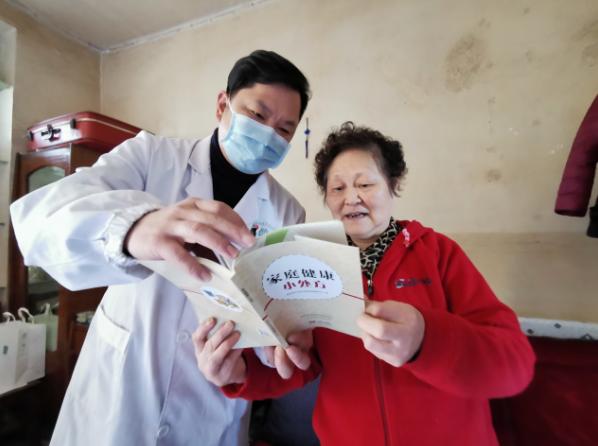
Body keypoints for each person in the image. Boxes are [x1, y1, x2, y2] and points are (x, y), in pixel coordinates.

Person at [10, 50, 313, 446]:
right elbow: (40, 220)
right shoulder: (151, 156)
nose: (269, 135)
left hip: (210, 407)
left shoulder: (289, 212)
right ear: (222, 105)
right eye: (258, 115)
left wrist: (275, 346)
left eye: (285, 129)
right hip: (123, 391)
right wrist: (133, 228)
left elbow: (270, 318)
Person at [194, 122, 536, 446]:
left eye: (365, 184)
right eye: (337, 188)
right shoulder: (309, 265)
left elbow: (515, 364)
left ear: (393, 184)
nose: (351, 198)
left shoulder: (437, 253)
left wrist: (425, 340)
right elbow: (298, 364)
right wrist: (239, 371)